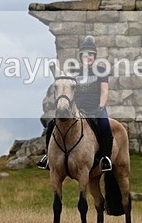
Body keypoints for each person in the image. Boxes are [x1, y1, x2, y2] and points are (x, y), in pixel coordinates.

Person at [37, 36, 114, 172]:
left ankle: (105, 158)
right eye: (85, 55)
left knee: (104, 125)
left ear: (94, 56)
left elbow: (104, 91)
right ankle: (48, 157)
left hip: (96, 108)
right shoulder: (74, 72)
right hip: (77, 109)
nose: (88, 57)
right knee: (52, 124)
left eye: (90, 55)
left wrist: (101, 107)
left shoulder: (101, 71)